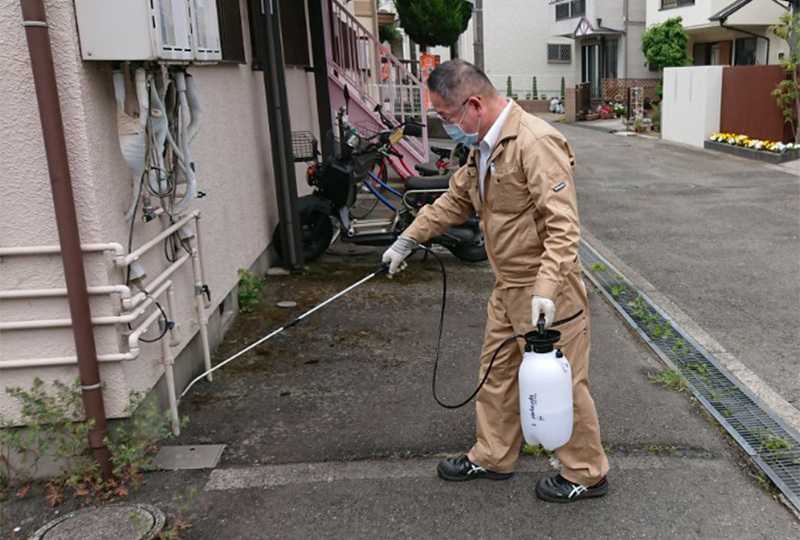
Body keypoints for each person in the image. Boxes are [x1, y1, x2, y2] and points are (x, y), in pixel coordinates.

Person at [381, 60, 610, 503]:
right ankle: (493, 455)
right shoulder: (483, 146)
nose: (448, 127)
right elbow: (455, 201)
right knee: (497, 374)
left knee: (564, 384)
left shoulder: (535, 142)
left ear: (474, 104)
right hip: (507, 288)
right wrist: (408, 239)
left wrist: (545, 288)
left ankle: (587, 472)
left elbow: (564, 228)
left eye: (448, 117)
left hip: (548, 292)